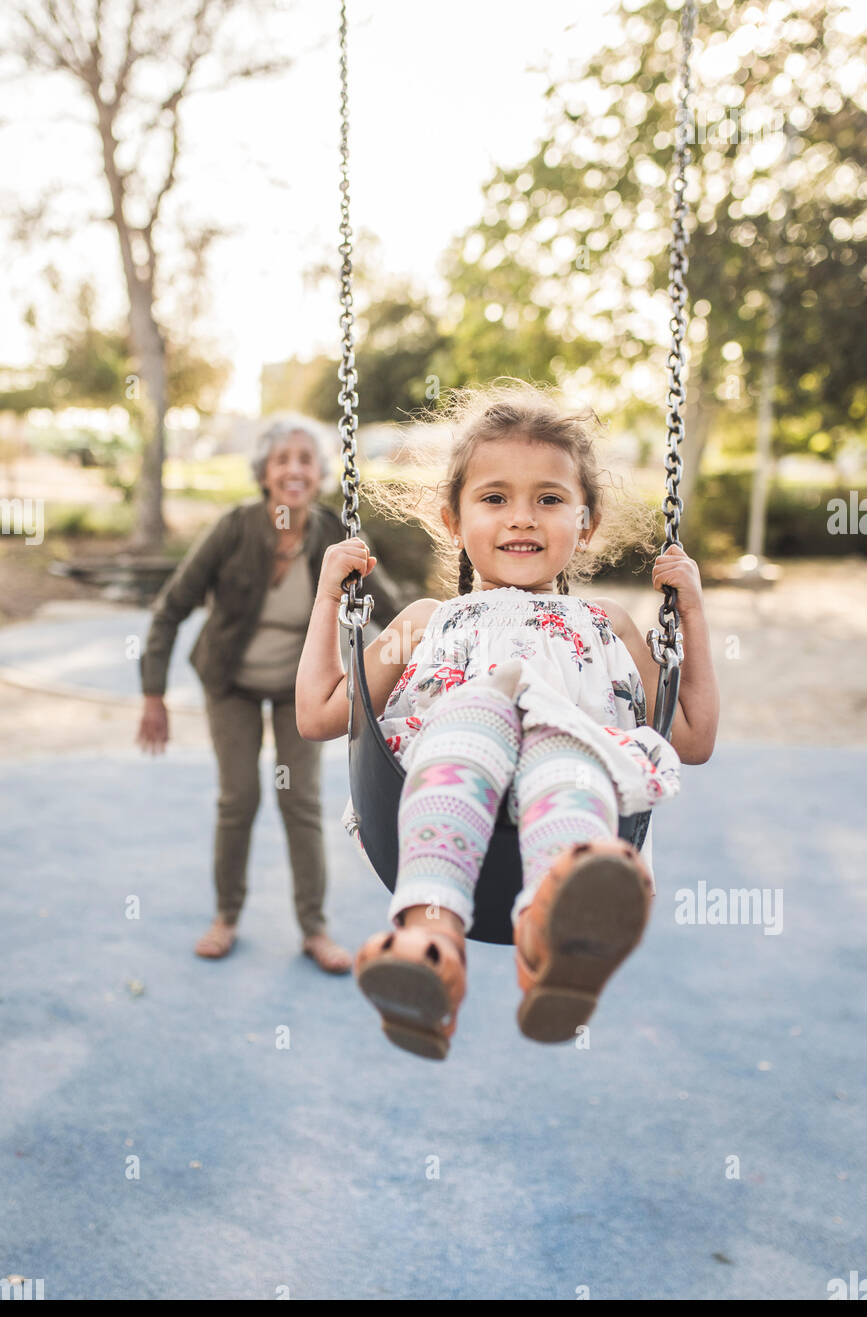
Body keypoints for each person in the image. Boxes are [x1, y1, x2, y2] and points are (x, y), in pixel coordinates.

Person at [296, 383, 719, 1054]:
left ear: (586, 523)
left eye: (548, 499)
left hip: (565, 781)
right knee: (473, 713)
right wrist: (328, 597)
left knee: (566, 750)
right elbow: (320, 713)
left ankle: (552, 947)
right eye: (494, 498)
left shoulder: (607, 624)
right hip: (450, 774)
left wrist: (689, 614)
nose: (521, 518)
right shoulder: (424, 622)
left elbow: (691, 737)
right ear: (452, 519)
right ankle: (431, 938)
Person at [135, 415, 404, 973]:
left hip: (295, 690)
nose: (294, 470)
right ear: (264, 472)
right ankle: (225, 916)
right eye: (283, 459)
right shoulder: (233, 529)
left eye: (305, 459)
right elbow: (171, 607)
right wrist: (153, 694)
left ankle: (314, 928)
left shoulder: (335, 535)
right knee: (239, 799)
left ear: (320, 472)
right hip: (230, 681)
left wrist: (445, 638)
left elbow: (392, 608)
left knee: (299, 800)